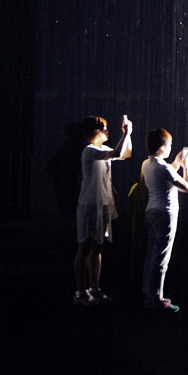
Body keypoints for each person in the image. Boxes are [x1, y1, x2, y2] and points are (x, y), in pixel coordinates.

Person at [73, 115, 132, 306]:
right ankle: (81, 291)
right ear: (95, 131)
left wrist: (127, 134)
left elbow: (125, 153)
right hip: (90, 205)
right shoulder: (89, 151)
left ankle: (94, 288)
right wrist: (126, 133)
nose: (107, 131)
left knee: (97, 246)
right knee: (85, 247)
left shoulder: (101, 149)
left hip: (102, 204)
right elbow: (118, 152)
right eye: (105, 128)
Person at [141, 128, 188, 314]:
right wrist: (186, 166)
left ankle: (148, 291)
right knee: (162, 258)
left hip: (151, 212)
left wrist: (177, 161)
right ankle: (156, 298)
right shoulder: (164, 168)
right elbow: (186, 187)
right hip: (166, 214)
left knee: (152, 253)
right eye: (169, 145)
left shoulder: (148, 163)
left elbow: (168, 173)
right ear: (162, 147)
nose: (171, 147)